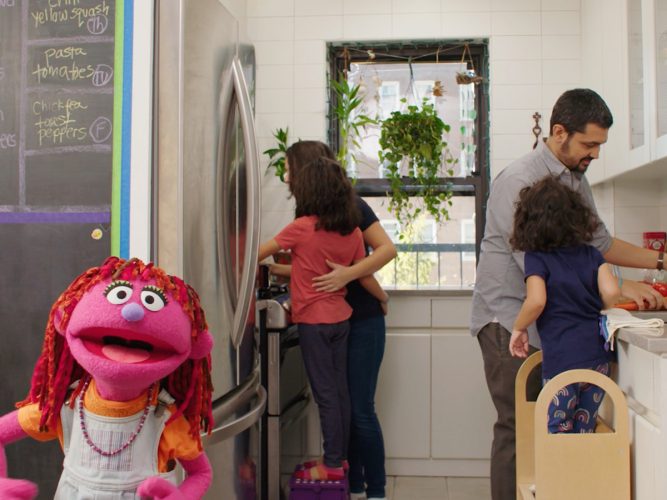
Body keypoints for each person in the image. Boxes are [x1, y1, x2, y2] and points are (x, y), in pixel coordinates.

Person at [470, 88, 665, 500]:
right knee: (519, 427)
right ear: (559, 132)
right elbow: (546, 270)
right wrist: (616, 284)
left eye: (599, 145)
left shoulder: (576, 177)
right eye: (589, 144)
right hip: (510, 322)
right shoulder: (520, 181)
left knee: (557, 431)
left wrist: (659, 264)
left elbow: (600, 244)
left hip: (552, 327)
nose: (594, 154)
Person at [270, 140, 395, 500]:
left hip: (363, 320)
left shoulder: (352, 206)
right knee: (343, 403)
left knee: (359, 409)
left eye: (290, 167)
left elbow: (387, 249)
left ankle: (377, 490)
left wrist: (349, 275)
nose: (287, 175)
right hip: (335, 318)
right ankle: (350, 483)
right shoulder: (310, 214)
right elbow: (312, 266)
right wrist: (280, 271)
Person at [508, 176, 621, 433]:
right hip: (597, 359)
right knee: (585, 428)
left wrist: (519, 328)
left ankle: (559, 474)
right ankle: (582, 474)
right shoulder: (592, 254)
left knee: (558, 430)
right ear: (577, 217)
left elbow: (536, 301)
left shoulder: (537, 258)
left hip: (562, 361)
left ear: (529, 223)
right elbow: (612, 292)